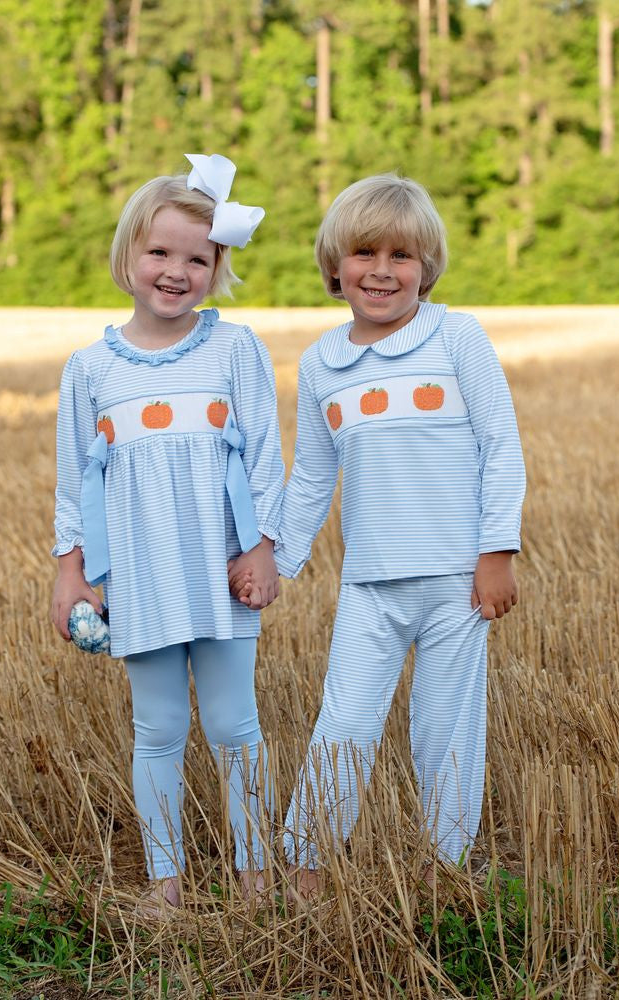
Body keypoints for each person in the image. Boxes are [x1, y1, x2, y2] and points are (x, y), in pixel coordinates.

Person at [231, 173, 526, 892]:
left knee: (445, 731)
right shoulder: (322, 365)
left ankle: (444, 867)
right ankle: (308, 865)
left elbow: (502, 447)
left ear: (426, 268)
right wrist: (276, 558)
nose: (383, 269)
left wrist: (497, 553)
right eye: (365, 252)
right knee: (345, 725)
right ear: (336, 265)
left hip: (459, 581)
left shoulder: (457, 337)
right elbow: (311, 480)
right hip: (369, 583)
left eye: (402, 255)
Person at [51, 154, 282, 913]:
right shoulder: (90, 370)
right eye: (159, 252)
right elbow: (74, 481)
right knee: (157, 728)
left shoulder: (235, 349)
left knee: (233, 724)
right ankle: (166, 885)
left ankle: (255, 880)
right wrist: (70, 570)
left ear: (218, 267)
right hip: (142, 575)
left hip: (218, 570)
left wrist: (261, 548)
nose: (175, 271)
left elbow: (265, 459)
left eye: (197, 257)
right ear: (128, 256)